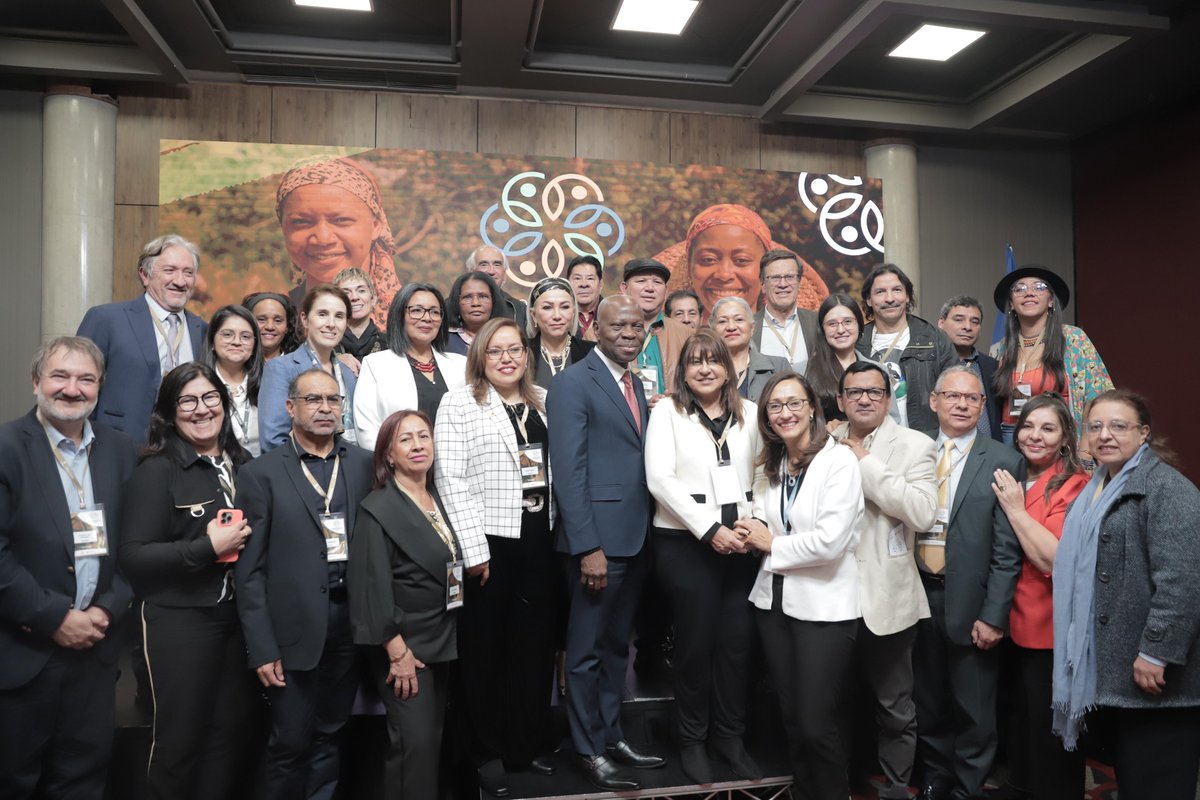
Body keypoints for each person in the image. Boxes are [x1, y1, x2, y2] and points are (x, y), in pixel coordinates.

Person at [0, 337, 137, 799]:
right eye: (60, 376)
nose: (72, 389)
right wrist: (56, 618)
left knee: (82, 781)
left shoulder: (121, 451)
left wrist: (106, 610)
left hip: (94, 657)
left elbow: (134, 547)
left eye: (86, 379)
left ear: (100, 387)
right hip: (21, 654)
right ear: (37, 381)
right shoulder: (4, 448)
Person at [118, 362, 258, 800]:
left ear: (224, 402)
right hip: (178, 622)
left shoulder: (244, 465)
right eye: (188, 401)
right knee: (179, 743)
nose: (202, 410)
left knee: (227, 739)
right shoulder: (157, 471)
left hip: (237, 623)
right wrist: (206, 548)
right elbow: (133, 556)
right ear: (170, 411)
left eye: (210, 398)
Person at [1052, 390, 1200, 800]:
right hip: (1118, 673)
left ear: (1144, 434)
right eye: (1096, 426)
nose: (1105, 435)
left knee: (1158, 785)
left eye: (1119, 426)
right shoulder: (1097, 488)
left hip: (1159, 682)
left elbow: (1184, 581)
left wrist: (1156, 651)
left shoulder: (1167, 489)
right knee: (1135, 782)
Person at [235, 368, 373, 800]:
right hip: (291, 630)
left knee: (331, 733)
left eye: (333, 400)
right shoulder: (261, 474)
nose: (325, 408)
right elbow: (249, 571)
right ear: (290, 408)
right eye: (314, 400)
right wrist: (261, 645)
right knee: (290, 740)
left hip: (349, 623)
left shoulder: (364, 465)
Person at [435, 318, 559, 795]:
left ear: (526, 355)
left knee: (533, 649)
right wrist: (473, 550)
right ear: (480, 358)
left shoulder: (544, 402)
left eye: (514, 350)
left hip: (540, 540)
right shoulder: (460, 404)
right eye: (495, 351)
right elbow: (451, 479)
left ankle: (523, 748)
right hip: (490, 544)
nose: (507, 358)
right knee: (485, 652)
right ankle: (484, 753)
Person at [547, 295, 665, 792]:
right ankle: (587, 749)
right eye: (618, 325)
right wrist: (586, 546)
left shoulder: (636, 382)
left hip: (635, 539)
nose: (629, 333)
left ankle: (611, 733)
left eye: (637, 326)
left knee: (618, 647)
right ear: (595, 328)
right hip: (597, 545)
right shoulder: (572, 382)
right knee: (586, 651)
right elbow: (568, 473)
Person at [736, 371, 864, 799]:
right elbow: (765, 515)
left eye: (794, 403)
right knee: (792, 719)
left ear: (813, 407)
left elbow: (830, 541)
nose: (785, 412)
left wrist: (771, 543)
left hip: (825, 608)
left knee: (815, 723)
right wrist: (752, 525)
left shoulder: (839, 461)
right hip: (774, 602)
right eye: (775, 406)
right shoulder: (774, 464)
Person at [644, 330, 762, 785]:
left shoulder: (750, 414)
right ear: (683, 370)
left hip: (742, 545)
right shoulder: (667, 414)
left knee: (735, 646)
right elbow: (660, 480)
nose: (705, 369)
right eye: (695, 362)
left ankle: (729, 738)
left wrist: (751, 527)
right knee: (695, 646)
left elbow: (763, 475)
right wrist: (709, 529)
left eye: (713, 361)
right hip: (685, 545)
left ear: (728, 368)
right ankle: (692, 741)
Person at [911, 365, 1023, 800]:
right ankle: (936, 782)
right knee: (929, 703)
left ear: (982, 406)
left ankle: (968, 789)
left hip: (972, 605)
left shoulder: (1003, 459)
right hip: (918, 596)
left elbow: (1006, 551)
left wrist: (994, 616)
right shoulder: (915, 452)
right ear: (934, 400)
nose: (962, 405)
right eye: (952, 396)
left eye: (971, 399)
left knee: (974, 710)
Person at [830, 361, 938, 800]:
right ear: (840, 400)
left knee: (895, 707)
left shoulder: (916, 445)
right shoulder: (823, 441)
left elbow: (920, 511)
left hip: (888, 596)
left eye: (875, 392)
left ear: (889, 399)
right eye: (854, 392)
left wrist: (866, 462)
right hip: (830, 595)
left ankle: (896, 788)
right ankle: (838, 784)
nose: (865, 399)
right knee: (833, 703)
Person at [348, 410, 462, 799]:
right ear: (389, 455)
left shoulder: (437, 497)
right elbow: (370, 588)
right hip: (406, 648)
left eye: (424, 437)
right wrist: (397, 653)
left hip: (441, 637)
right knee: (415, 747)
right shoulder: (377, 508)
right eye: (406, 439)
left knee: (429, 742)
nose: (418, 446)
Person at [987, 393, 1087, 800]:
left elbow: (1054, 558)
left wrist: (1015, 510)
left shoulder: (1074, 485)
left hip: (1048, 626)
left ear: (1065, 438)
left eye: (1048, 428)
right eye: (1028, 425)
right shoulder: (1010, 472)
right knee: (1020, 720)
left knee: (1050, 730)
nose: (1035, 436)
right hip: (1007, 621)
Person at [77, 234, 208, 441]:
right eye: (170, 270)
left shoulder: (202, 330)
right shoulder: (107, 319)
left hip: (184, 450)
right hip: (118, 445)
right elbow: (79, 387)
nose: (180, 281)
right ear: (145, 275)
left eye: (188, 273)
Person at [992, 265, 1112, 442]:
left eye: (1039, 287)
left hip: (1060, 438)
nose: (1030, 292)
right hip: (1010, 437)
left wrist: (1086, 449)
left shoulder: (1073, 339)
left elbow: (1100, 398)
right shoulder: (1001, 348)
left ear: (1050, 301)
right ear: (1011, 304)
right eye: (1020, 288)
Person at [276, 156, 400, 328]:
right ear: (283, 227)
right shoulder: (275, 320)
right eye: (301, 222)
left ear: (376, 225)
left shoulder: (408, 318)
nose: (323, 238)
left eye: (341, 220)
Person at [353, 283, 468, 450]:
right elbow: (366, 429)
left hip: (454, 468)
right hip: (398, 469)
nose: (427, 318)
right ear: (399, 315)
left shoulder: (460, 365)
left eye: (435, 312)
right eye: (416, 310)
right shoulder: (376, 365)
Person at [856, 263, 956, 433]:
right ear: (869, 300)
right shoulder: (857, 341)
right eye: (880, 292)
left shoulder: (934, 338)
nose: (889, 298)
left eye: (897, 290)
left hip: (923, 439)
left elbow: (955, 392)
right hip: (870, 439)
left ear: (908, 296)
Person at [259, 285, 358, 452]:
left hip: (346, 469)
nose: (331, 324)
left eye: (339, 316)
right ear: (304, 319)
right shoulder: (281, 369)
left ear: (346, 323)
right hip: (298, 472)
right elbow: (273, 440)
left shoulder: (348, 373)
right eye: (322, 314)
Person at [620, 257, 690, 398]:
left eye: (657, 282)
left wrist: (671, 405)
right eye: (641, 281)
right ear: (624, 288)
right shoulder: (601, 335)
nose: (650, 288)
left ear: (666, 292)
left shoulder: (687, 335)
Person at [202, 304, 264, 457]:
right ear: (212, 340)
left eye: (245, 336)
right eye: (228, 334)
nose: (237, 342)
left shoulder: (269, 382)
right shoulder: (197, 385)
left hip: (262, 473)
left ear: (254, 345)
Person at [937, 296, 1001, 441]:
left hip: (988, 454)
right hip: (942, 452)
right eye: (959, 319)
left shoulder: (992, 367)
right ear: (941, 323)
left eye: (975, 322)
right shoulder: (928, 364)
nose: (967, 327)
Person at [709, 296, 789, 403]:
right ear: (713, 330)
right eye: (722, 321)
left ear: (752, 328)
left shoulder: (778, 367)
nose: (731, 327)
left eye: (739, 319)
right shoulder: (704, 370)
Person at [753, 249, 820, 374]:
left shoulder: (818, 322)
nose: (782, 284)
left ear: (799, 283)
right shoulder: (749, 328)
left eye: (789, 277)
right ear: (763, 285)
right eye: (775, 278)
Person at [807, 293, 869, 424]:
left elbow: (891, 419)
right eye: (832, 324)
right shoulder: (803, 370)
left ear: (859, 325)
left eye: (848, 322)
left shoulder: (877, 370)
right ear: (822, 329)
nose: (841, 330)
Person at [526, 276, 594, 389]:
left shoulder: (592, 353)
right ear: (533, 315)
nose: (557, 316)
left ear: (573, 312)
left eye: (565, 307)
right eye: (547, 307)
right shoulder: (521, 352)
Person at [466, 244, 528, 329]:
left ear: (504, 273)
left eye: (497, 265)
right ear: (471, 271)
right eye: (484, 264)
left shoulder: (519, 309)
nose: (491, 271)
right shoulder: (453, 306)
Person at [445, 271, 506, 356]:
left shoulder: (507, 336)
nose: (475, 303)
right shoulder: (443, 339)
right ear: (457, 302)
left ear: (493, 301)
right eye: (467, 297)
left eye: (483, 296)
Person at [334, 268, 387, 361]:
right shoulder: (326, 347)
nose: (354, 297)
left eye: (361, 290)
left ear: (373, 299)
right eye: (346, 293)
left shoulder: (391, 345)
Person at [243, 292, 300, 362]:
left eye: (278, 321)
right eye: (261, 319)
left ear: (287, 327)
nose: (270, 327)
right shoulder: (235, 365)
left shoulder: (302, 368)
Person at [566, 254, 602, 342]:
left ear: (600, 285)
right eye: (577, 278)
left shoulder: (614, 313)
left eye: (590, 278)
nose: (584, 284)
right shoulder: (559, 316)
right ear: (568, 284)